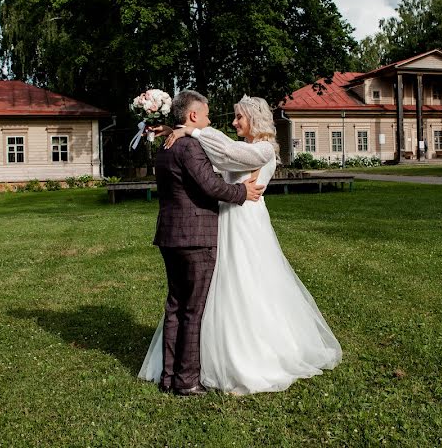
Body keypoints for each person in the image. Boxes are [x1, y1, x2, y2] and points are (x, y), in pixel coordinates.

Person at [139, 95, 342, 395]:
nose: (233, 122)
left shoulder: (262, 150)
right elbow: (214, 155)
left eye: (239, 117)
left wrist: (189, 130)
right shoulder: (239, 149)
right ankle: (199, 362)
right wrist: (175, 128)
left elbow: (226, 152)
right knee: (216, 293)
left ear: (255, 120)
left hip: (246, 223)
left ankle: (246, 357)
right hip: (226, 219)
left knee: (246, 287)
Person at [147, 90, 265, 397]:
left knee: (174, 306)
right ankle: (186, 381)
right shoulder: (189, 146)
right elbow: (210, 185)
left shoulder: (166, 146)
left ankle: (169, 376)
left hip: (169, 236)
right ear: (193, 116)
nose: (212, 119)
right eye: (207, 113)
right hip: (195, 238)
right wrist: (243, 194)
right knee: (192, 310)